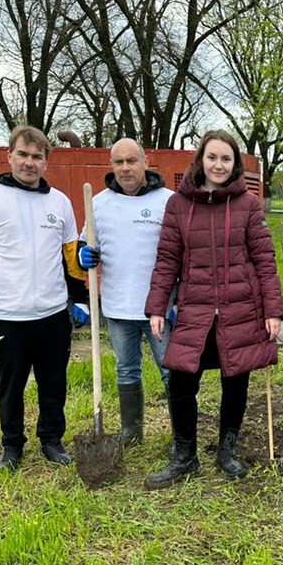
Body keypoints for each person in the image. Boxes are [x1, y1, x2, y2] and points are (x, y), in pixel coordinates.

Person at [144, 129, 283, 487]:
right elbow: (167, 260)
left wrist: (273, 310)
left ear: (235, 163)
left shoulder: (247, 204)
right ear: (200, 161)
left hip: (240, 310)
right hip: (196, 310)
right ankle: (184, 454)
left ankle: (226, 450)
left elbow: (264, 259)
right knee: (180, 382)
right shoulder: (178, 204)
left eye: (226, 158)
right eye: (212, 157)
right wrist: (157, 306)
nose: (218, 165)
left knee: (235, 380)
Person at [0, 125, 89, 472]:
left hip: (52, 314)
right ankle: (12, 446)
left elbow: (70, 254)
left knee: (53, 384)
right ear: (10, 156)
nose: (29, 163)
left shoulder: (59, 202)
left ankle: (52, 439)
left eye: (37, 156)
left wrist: (80, 297)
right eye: (23, 155)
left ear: (46, 161)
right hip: (7, 314)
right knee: (11, 386)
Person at [77, 138, 175, 446]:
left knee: (172, 372)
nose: (125, 168)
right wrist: (83, 255)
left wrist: (179, 298)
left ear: (146, 162)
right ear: (111, 165)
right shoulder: (99, 203)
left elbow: (184, 252)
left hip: (159, 308)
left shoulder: (168, 201)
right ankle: (131, 432)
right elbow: (85, 241)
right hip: (117, 307)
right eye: (118, 162)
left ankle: (181, 435)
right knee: (126, 370)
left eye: (132, 161)